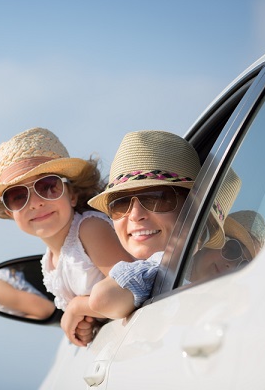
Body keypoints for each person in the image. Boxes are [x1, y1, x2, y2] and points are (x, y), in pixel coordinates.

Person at [0, 127, 133, 346]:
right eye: (18, 196)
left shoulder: (89, 228)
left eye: (47, 187)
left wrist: (77, 308)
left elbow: (132, 284)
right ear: (10, 212)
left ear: (72, 194)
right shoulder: (50, 262)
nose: (36, 202)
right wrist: (90, 321)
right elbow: (112, 306)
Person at [78, 130, 202, 326]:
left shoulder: (167, 265)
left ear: (193, 207)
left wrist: (78, 306)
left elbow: (102, 298)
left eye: (156, 198)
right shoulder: (209, 261)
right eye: (120, 204)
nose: (135, 215)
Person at [188, 210, 265, 283]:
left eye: (242, 266)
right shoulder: (178, 251)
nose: (231, 266)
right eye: (232, 249)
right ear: (215, 236)